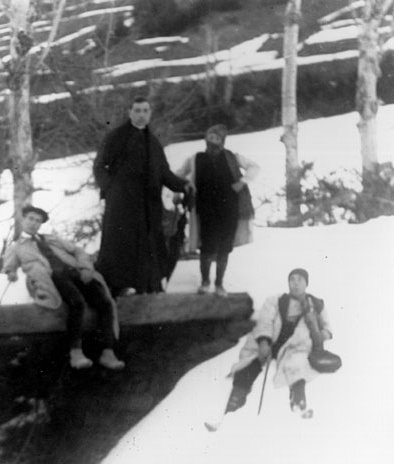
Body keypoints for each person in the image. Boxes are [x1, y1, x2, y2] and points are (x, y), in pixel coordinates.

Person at [205, 268, 333, 431]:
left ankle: (299, 406)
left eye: (300, 279)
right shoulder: (276, 300)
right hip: (271, 344)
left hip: (296, 348)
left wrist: (317, 334)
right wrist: (264, 342)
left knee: (297, 366)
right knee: (247, 368)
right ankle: (231, 409)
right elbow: (265, 322)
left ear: (306, 283)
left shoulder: (316, 304)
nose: (295, 283)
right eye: (292, 279)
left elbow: (328, 329)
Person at [3, 206, 124, 371]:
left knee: (104, 302)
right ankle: (76, 353)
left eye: (37, 221)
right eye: (30, 218)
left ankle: (108, 353)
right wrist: (11, 273)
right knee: (77, 302)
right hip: (50, 277)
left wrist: (85, 267)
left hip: (74, 273)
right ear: (23, 219)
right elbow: (9, 265)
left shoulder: (51, 239)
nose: (33, 223)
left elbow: (77, 250)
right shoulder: (17, 246)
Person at [93, 95, 191, 296]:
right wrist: (111, 190)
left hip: (148, 207)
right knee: (120, 246)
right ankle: (116, 287)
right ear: (130, 112)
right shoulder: (116, 137)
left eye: (145, 110)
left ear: (150, 114)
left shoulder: (153, 142)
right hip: (121, 206)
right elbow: (99, 166)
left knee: (147, 247)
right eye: (137, 110)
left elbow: (164, 174)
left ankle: (145, 286)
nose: (141, 114)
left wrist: (184, 185)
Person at [178, 124, 260, 297]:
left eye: (216, 138)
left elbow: (254, 167)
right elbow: (179, 174)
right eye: (209, 137)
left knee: (224, 247)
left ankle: (220, 284)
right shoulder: (196, 158)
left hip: (229, 210)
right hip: (205, 210)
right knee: (207, 247)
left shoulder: (232, 157)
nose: (212, 141)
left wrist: (242, 182)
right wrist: (184, 186)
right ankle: (205, 282)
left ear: (222, 141)